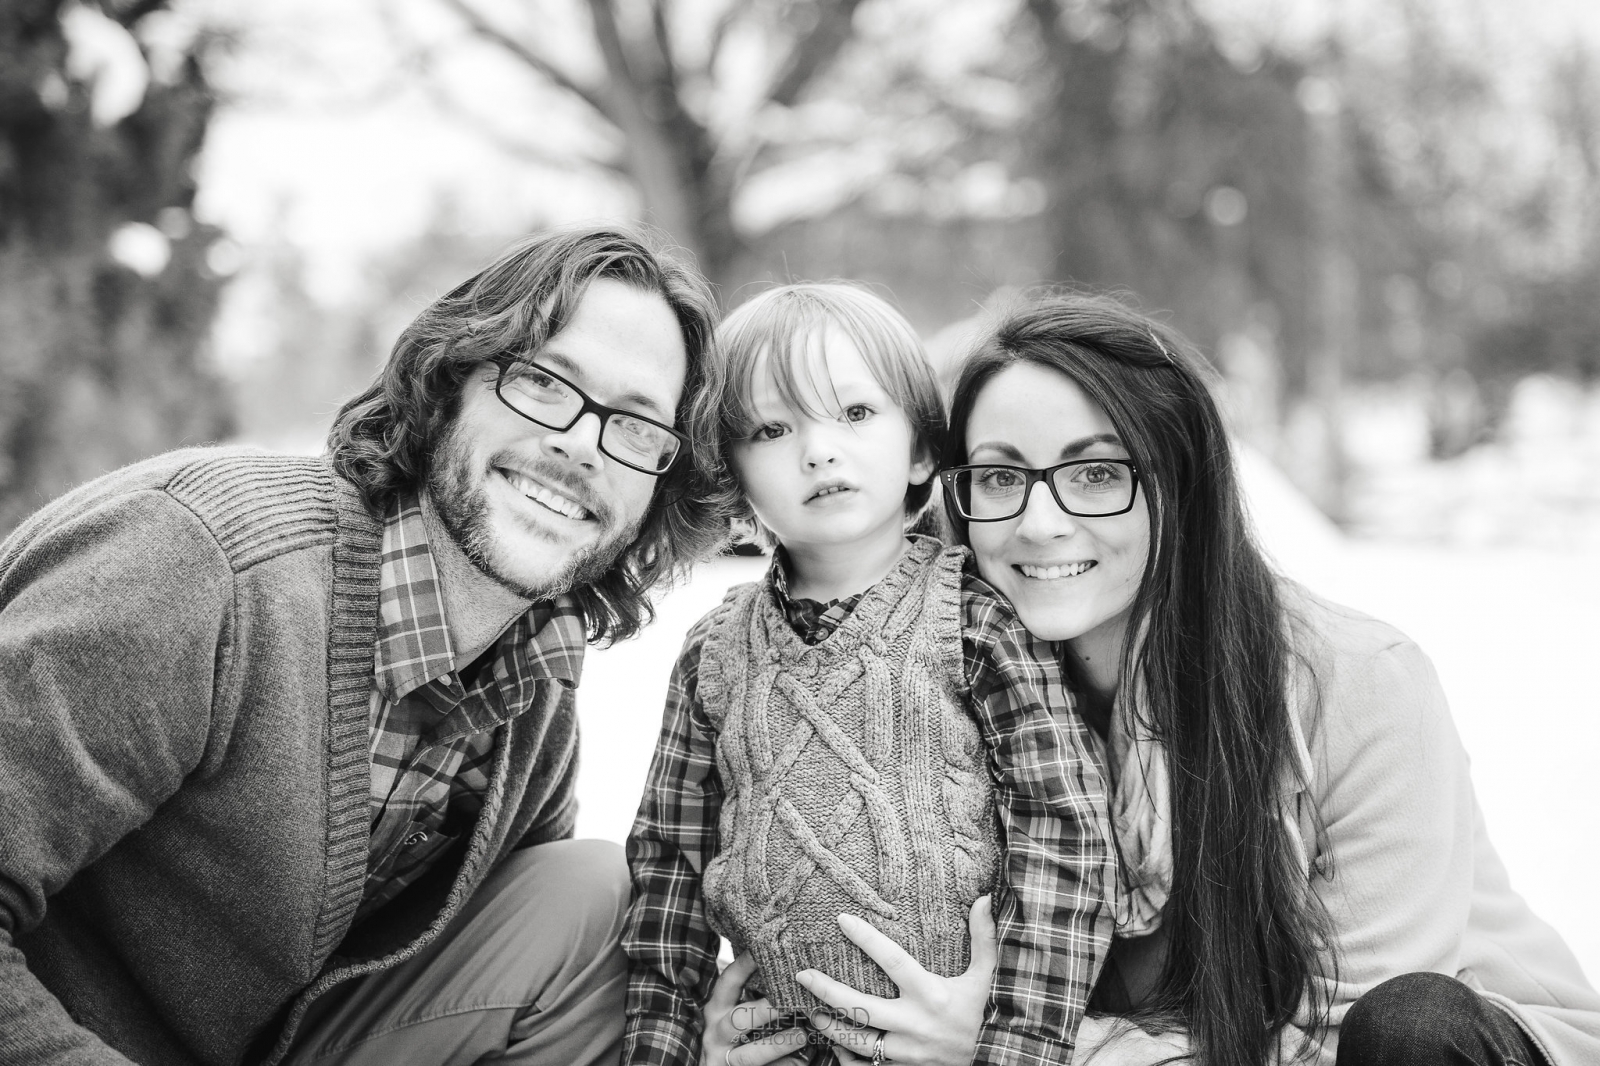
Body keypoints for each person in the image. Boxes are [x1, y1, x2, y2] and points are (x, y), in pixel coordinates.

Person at [797, 293, 1600, 1066]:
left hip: (1450, 1042)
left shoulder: (1360, 684)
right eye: (1002, 478)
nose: (1039, 522)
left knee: (1408, 1029)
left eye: (1098, 473)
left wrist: (1015, 1047)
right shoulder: (950, 694)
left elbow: (1340, 1040)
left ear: (1180, 483)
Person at [0, 225, 728, 1066]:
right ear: (450, 380)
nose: (579, 444)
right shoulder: (202, 568)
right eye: (544, 383)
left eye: (637, 429)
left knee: (600, 902)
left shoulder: (532, 699)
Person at [621, 283, 1119, 1066]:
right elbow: (667, 873)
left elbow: (1065, 836)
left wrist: (1017, 1043)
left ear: (922, 448)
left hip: (957, 1046)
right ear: (732, 477)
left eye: (854, 414)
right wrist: (671, 1048)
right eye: (772, 428)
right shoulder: (713, 653)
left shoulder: (975, 619)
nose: (818, 450)